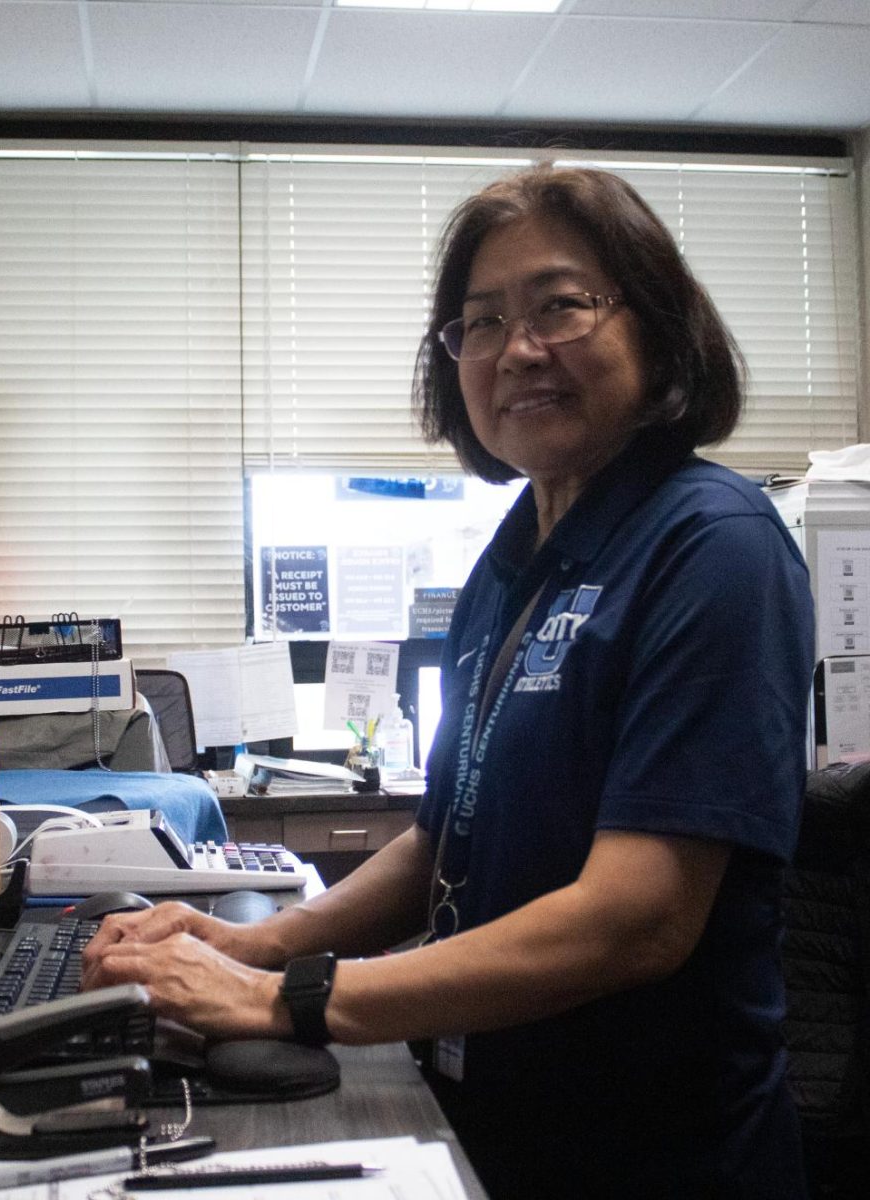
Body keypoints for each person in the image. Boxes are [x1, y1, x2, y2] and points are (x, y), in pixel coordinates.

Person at [81, 166, 815, 1198]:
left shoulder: (713, 545)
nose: (518, 349)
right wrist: (258, 947)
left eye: (560, 305)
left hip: (652, 1156)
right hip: (497, 1121)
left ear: (654, 324)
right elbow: (443, 841)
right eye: (480, 322)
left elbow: (636, 915)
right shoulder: (515, 559)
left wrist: (294, 998)